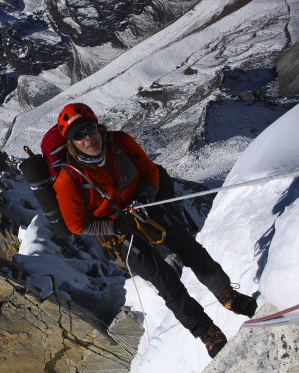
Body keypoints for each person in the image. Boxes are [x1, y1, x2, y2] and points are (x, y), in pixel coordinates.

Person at [52, 103, 257, 358]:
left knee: (193, 252)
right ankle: (205, 331)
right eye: (78, 135)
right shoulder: (69, 179)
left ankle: (228, 295)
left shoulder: (120, 142)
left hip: (148, 210)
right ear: (71, 142)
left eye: (90, 129)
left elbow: (149, 170)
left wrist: (146, 195)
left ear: (98, 126)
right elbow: (77, 223)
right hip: (121, 235)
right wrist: (114, 226)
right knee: (166, 282)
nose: (87, 138)